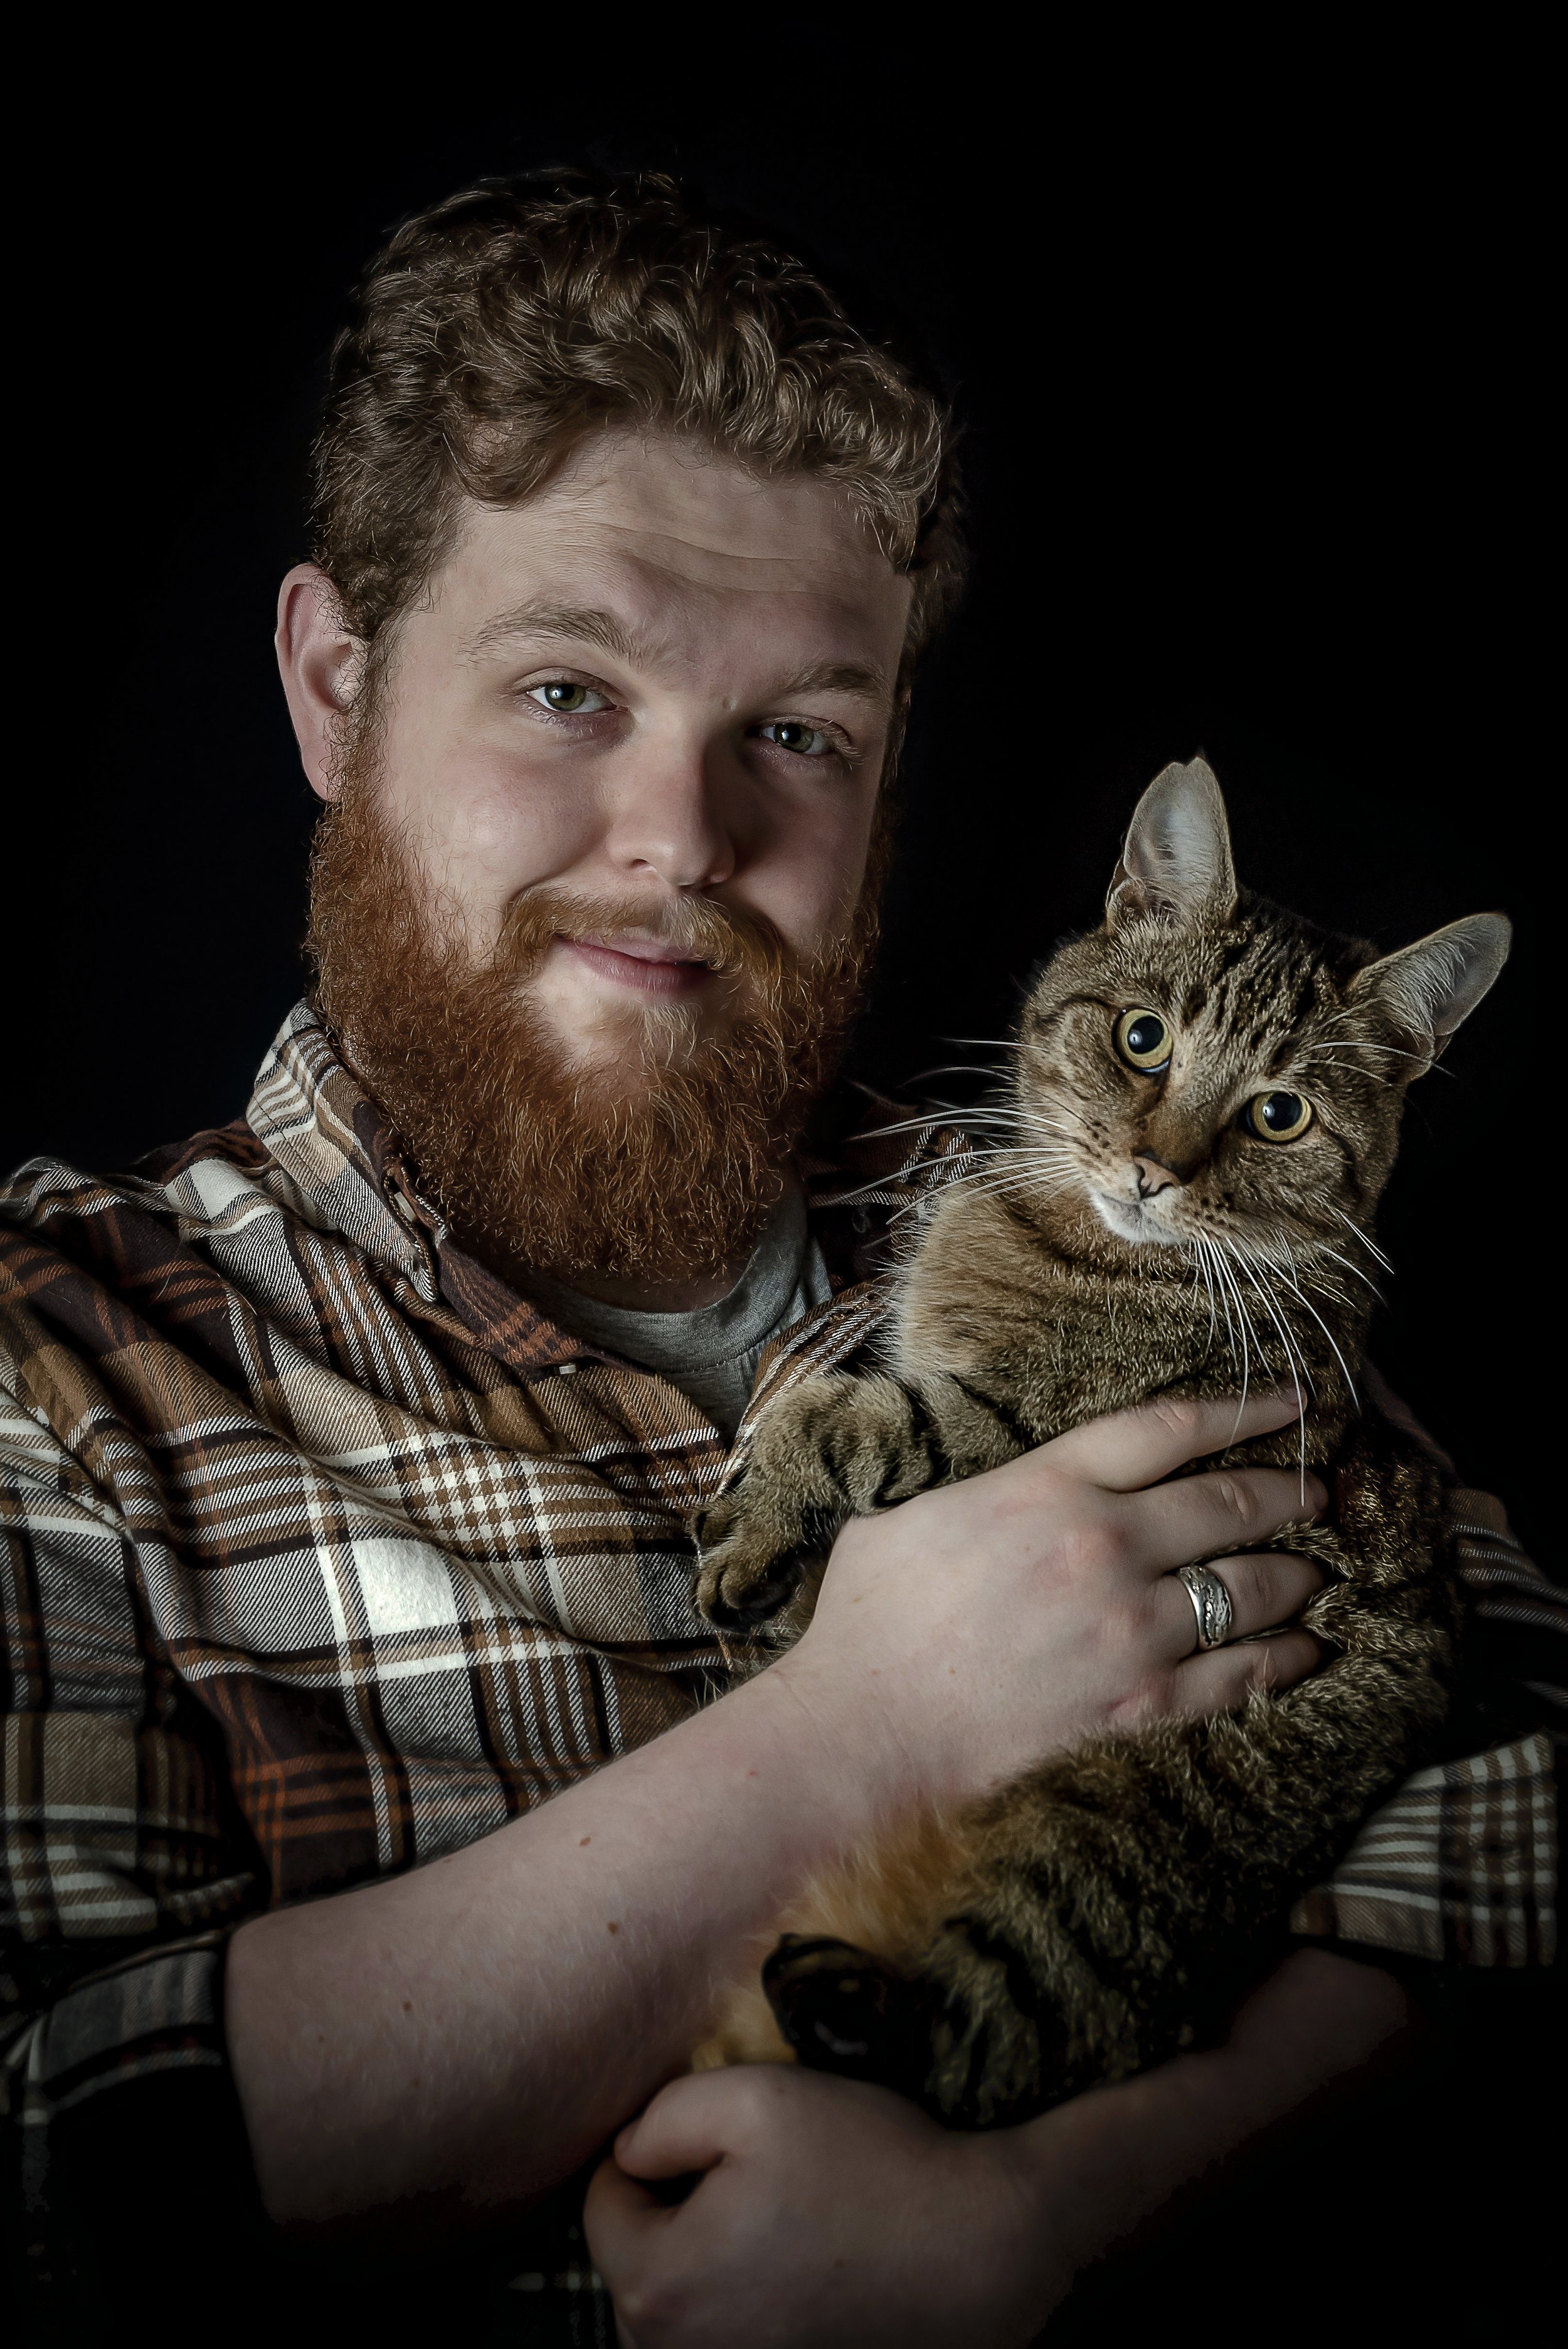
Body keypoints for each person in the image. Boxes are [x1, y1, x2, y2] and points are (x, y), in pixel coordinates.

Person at [3, 174, 1560, 2345]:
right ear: (335, 692)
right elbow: (56, 2161)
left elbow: (1515, 1782)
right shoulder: (56, 1365)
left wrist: (1067, 2214)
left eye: (800, 735)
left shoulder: (1050, 1205)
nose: (685, 838)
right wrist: (859, 1728)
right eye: (568, 689)